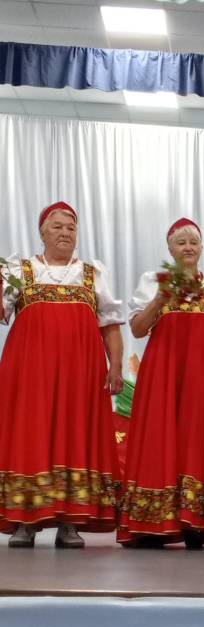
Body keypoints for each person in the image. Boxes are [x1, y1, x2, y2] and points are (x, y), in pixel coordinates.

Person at [0, 201, 124, 547]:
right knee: (30, 434)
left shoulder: (92, 273)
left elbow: (110, 324)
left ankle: (70, 519)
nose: (65, 232)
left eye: (71, 227)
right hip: (30, 370)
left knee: (76, 434)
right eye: (57, 226)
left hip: (80, 372)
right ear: (42, 233)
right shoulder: (19, 270)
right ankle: (25, 520)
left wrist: (115, 366)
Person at [118, 218, 204, 549]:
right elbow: (138, 329)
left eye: (193, 242)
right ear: (170, 249)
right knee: (160, 437)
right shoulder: (153, 282)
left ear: (202, 248)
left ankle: (195, 522)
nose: (188, 247)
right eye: (181, 242)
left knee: (197, 439)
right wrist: (159, 299)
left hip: (203, 373)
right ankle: (152, 522)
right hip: (163, 374)